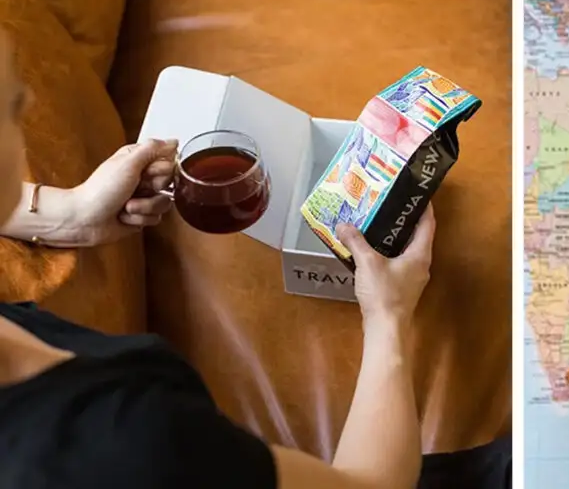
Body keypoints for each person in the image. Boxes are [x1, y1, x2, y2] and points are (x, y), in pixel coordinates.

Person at [0, 35, 510, 488]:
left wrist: (66, 213)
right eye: (14, 106)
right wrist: (389, 316)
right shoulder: (128, 439)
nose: (29, 108)